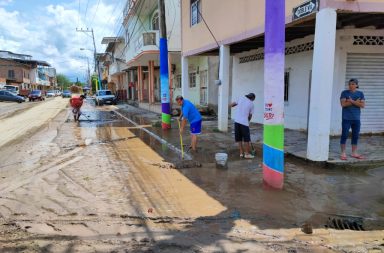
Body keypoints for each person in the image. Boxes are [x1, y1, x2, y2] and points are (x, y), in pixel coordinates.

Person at [340, 78, 365, 160]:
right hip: (346, 118)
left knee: (355, 135)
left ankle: (354, 153)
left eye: (353, 84)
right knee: (344, 135)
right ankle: (343, 153)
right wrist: (356, 102)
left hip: (356, 118)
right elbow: (343, 104)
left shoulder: (360, 93)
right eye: (350, 84)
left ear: (357, 85)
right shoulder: (344, 93)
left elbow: (362, 105)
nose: (351, 85)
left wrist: (351, 101)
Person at [230, 93, 256, 159]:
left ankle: (241, 153)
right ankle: (246, 153)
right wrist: (248, 121)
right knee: (246, 139)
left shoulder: (241, 98)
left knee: (239, 138)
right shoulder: (251, 104)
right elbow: (250, 116)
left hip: (237, 121)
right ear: (252, 98)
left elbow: (232, 105)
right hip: (244, 123)